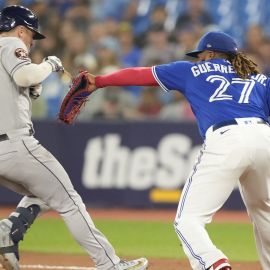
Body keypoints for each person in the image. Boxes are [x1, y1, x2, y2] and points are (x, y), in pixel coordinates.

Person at [85, 31, 270, 270]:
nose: (198, 59)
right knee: (264, 212)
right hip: (263, 136)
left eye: (200, 54)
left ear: (211, 53)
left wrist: (99, 81)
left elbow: (141, 75)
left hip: (227, 138)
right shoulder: (258, 78)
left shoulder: (190, 70)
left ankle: (214, 263)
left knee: (188, 221)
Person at [0, 5, 148, 270]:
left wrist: (26, 89)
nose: (32, 40)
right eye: (31, 34)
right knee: (69, 201)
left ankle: (8, 230)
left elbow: (18, 83)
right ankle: (109, 263)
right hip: (15, 145)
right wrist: (49, 64)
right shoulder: (10, 43)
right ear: (20, 29)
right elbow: (24, 75)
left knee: (45, 192)